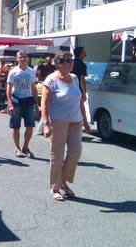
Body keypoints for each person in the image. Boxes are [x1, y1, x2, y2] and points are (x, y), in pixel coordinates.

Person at [41, 52, 89, 201]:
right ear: (58, 63)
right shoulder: (51, 80)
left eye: (71, 60)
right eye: (67, 61)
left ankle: (62, 181)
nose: (71, 63)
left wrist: (86, 121)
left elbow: (80, 101)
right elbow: (44, 103)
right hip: (58, 121)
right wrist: (46, 124)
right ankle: (55, 187)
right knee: (57, 155)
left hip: (76, 121)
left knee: (75, 153)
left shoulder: (74, 78)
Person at [6, 51, 38, 158]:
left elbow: (33, 88)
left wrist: (36, 104)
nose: (22, 59)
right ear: (17, 59)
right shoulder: (13, 72)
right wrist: (10, 103)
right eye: (20, 57)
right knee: (16, 126)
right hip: (16, 100)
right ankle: (17, 148)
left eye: (24, 57)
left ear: (27, 59)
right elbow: (9, 89)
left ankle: (26, 147)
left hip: (28, 100)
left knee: (30, 126)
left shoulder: (31, 72)